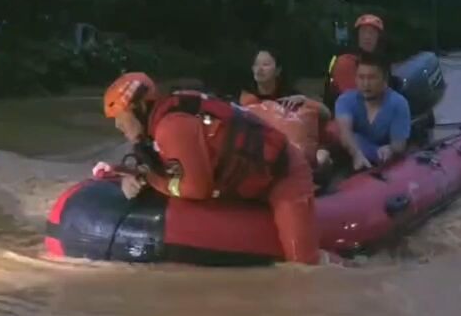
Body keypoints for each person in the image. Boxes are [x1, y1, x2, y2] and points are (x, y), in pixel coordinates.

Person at [93, 72, 321, 265]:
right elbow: (152, 158)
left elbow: (195, 188)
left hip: (284, 176)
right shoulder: (160, 122)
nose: (117, 124)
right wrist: (133, 173)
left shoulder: (171, 127)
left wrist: (150, 179)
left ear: (141, 107)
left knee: (301, 264)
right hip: (248, 178)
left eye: (120, 116)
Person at [238, 48, 334, 169]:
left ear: (278, 70)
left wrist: (305, 100)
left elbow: (327, 114)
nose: (259, 69)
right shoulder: (246, 100)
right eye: (256, 64)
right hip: (262, 154)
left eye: (265, 64)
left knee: (322, 156)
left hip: (295, 155)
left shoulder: (292, 97)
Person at [333, 51, 411, 171]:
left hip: (385, 164)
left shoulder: (399, 103)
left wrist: (390, 149)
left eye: (372, 78)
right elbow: (345, 132)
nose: (365, 84)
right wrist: (357, 154)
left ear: (384, 80)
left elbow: (399, 144)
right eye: (361, 77)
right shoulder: (345, 100)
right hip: (353, 160)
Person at [323, 13, 387, 110]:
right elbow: (357, 102)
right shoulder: (345, 61)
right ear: (357, 36)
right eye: (364, 32)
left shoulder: (380, 62)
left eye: (372, 33)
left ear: (379, 38)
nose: (367, 37)